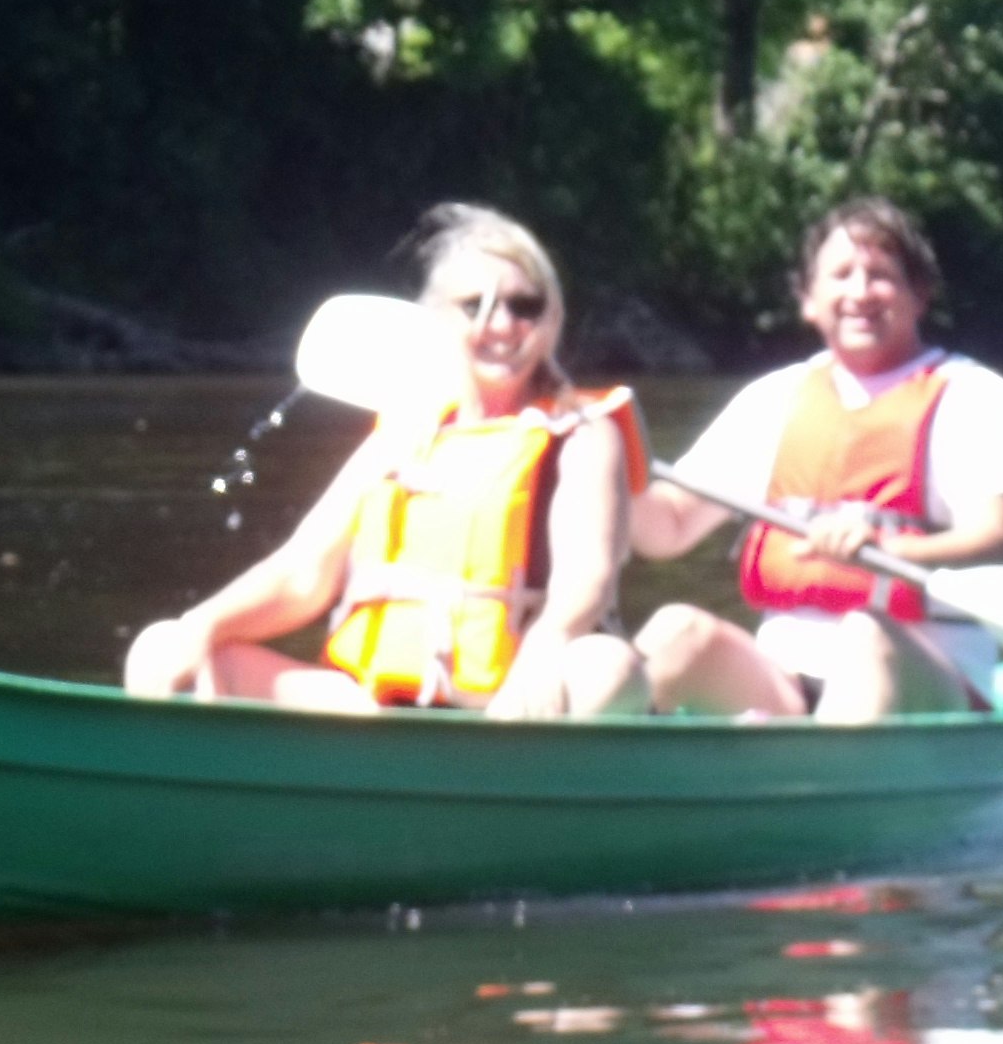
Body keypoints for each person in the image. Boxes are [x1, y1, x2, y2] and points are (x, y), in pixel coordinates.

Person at [124, 206, 650, 718]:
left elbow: (587, 582)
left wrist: (539, 661)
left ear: (552, 319)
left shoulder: (583, 435)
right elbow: (302, 576)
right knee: (164, 650)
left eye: (524, 305)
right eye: (475, 306)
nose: (501, 324)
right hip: (371, 709)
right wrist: (202, 625)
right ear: (438, 319)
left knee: (606, 671)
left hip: (514, 707)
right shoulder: (404, 433)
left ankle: (523, 778)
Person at [627, 198, 1003, 722]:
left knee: (866, 635)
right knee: (677, 632)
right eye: (840, 275)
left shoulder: (973, 395)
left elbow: (993, 534)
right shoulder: (775, 398)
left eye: (881, 275)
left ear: (919, 296)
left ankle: (815, 786)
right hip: (785, 680)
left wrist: (887, 547)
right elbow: (667, 530)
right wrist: (616, 464)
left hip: (929, 675)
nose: (859, 293)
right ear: (809, 300)